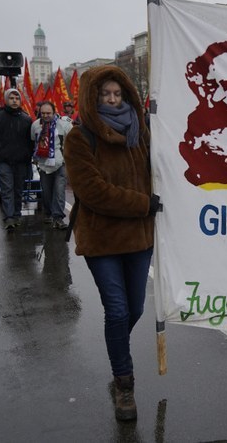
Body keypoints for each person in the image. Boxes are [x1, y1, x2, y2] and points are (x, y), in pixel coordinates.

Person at [63, 65, 160, 421]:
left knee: (132, 311)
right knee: (117, 311)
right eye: (105, 94)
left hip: (138, 239)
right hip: (102, 240)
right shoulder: (79, 137)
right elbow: (93, 193)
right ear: (92, 97)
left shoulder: (141, 131)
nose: (113, 99)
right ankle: (124, 384)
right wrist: (143, 204)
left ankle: (116, 344)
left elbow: (159, 171)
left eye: (118, 94)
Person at [0, 88, 34, 231]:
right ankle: (9, 217)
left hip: (21, 161)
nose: (14, 101)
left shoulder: (26, 118)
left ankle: (16, 214)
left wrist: (30, 159)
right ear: (6, 100)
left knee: (18, 189)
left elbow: (30, 142)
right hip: (3, 161)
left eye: (17, 98)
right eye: (11, 98)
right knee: (7, 189)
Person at [30, 101, 70, 229]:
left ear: (54, 112)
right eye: (43, 113)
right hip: (43, 165)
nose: (46, 115)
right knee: (47, 192)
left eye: (49, 113)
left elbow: (72, 143)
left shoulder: (64, 126)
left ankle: (58, 218)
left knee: (59, 191)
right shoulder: (35, 125)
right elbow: (33, 141)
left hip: (60, 163)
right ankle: (49, 213)